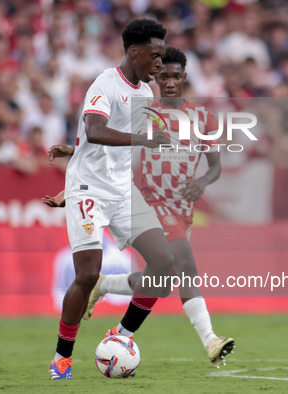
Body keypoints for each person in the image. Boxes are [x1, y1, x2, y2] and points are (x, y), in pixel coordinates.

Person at [45, 48, 235, 367]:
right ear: (154, 75)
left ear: (185, 78)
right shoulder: (143, 101)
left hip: (174, 203)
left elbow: (215, 165)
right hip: (147, 196)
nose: (168, 81)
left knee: (165, 273)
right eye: (163, 75)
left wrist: (202, 182)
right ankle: (209, 340)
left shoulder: (201, 117)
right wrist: (77, 160)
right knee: (181, 265)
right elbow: (105, 140)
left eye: (175, 76)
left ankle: (107, 290)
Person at [43, 18, 175, 380]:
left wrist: (74, 150)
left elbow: (103, 138)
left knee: (164, 265)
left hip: (121, 189)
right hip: (89, 189)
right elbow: (97, 130)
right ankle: (62, 359)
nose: (160, 63)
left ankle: (122, 335)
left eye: (162, 56)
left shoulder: (146, 93)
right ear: (135, 52)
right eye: (155, 55)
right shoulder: (104, 84)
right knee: (87, 274)